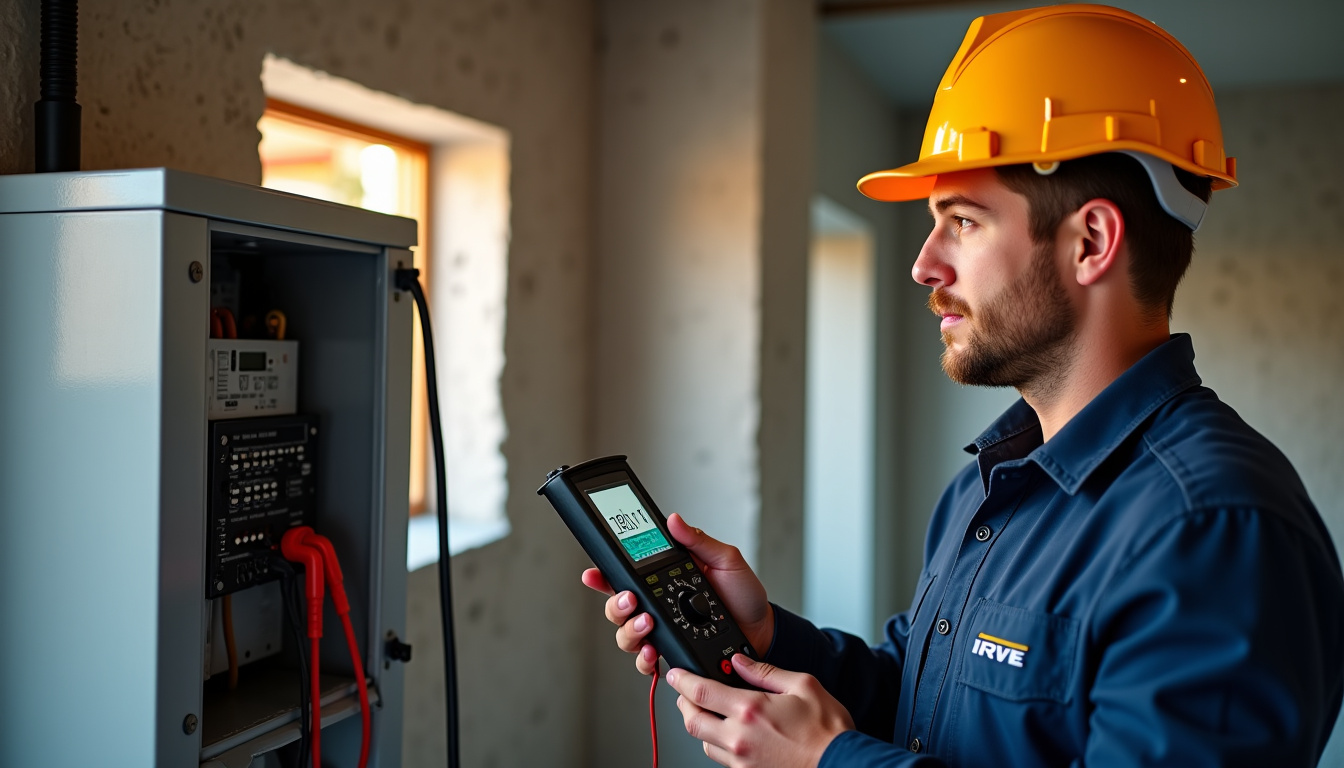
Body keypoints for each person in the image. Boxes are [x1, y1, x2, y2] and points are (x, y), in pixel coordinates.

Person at [582, 5, 1344, 766]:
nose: (924, 264)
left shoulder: (1212, 528)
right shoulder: (989, 487)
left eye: (964, 221)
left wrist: (831, 762)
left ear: (1091, 243)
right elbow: (920, 710)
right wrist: (772, 640)